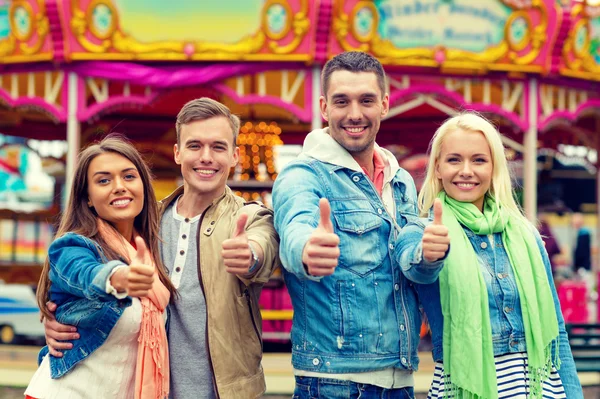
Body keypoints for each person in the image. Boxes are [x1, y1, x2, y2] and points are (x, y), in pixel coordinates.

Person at [42, 98, 280, 398]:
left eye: (218, 147)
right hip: (149, 389)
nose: (206, 157)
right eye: (195, 146)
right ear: (178, 153)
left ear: (234, 155)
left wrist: (251, 255)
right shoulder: (144, 222)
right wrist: (60, 319)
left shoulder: (252, 218)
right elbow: (81, 271)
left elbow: (264, 245)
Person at [273, 51, 449, 398]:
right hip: (335, 383)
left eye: (366, 100)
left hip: (399, 378)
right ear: (324, 107)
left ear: (384, 104)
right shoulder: (303, 174)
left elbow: (414, 272)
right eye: (342, 101)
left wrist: (429, 257)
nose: (355, 114)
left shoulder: (399, 181)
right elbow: (296, 225)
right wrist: (307, 251)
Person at [396, 113, 583, 398]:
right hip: (464, 386)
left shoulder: (526, 234)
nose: (466, 170)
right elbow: (417, 265)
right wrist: (430, 254)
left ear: (494, 167)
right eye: (454, 159)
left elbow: (556, 331)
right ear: (437, 168)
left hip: (540, 386)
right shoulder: (421, 231)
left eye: (479, 160)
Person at [25, 135, 177, 399]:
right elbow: (83, 272)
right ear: (89, 198)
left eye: (129, 176)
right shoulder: (71, 246)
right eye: (104, 180)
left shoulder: (153, 252)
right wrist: (118, 278)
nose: (119, 186)